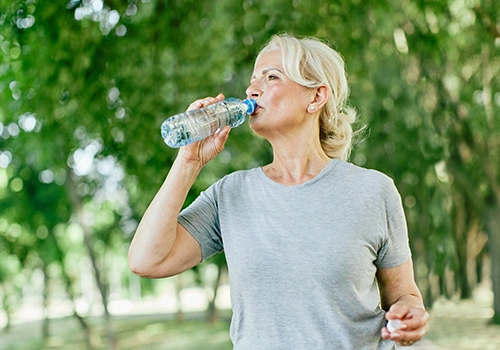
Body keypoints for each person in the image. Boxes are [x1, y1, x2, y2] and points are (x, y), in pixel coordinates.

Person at [128, 33, 430, 349]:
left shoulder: (373, 191)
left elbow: (404, 295)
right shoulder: (230, 194)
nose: (251, 89)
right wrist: (188, 161)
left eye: (271, 76)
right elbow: (147, 261)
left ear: (316, 97)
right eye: (253, 79)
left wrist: (410, 314)